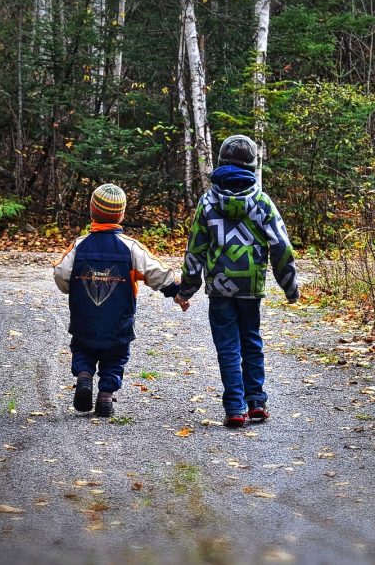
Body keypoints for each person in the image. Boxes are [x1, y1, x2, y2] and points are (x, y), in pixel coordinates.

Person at [175, 135, 299, 428]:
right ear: (253, 165)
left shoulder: (208, 203)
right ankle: (256, 400)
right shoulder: (261, 203)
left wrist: (186, 289)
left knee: (228, 346)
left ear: (220, 163)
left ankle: (235, 407)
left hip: (219, 289)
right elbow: (281, 246)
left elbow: (196, 249)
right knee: (251, 341)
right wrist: (289, 287)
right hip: (250, 287)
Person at [53, 183, 186, 417]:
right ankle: (105, 397)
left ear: (91, 210)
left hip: (85, 319)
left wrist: (69, 288)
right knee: (115, 357)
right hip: (118, 321)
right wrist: (176, 291)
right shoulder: (131, 248)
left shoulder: (78, 245)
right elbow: (156, 272)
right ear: (122, 215)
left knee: (82, 350)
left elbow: (61, 274)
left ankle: (84, 377)